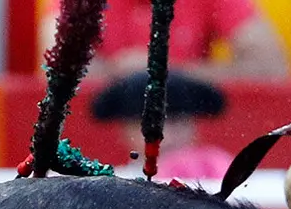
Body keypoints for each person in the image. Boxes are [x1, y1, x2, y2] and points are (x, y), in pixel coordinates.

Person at [39, 0, 289, 80]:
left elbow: (272, 68)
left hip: (188, 133)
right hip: (105, 131)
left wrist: (166, 71)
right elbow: (57, 66)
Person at [91, 70, 233, 180]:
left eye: (176, 122)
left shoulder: (221, 172)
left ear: (194, 127)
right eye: (150, 125)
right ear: (125, 131)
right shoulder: (117, 184)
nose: (166, 137)